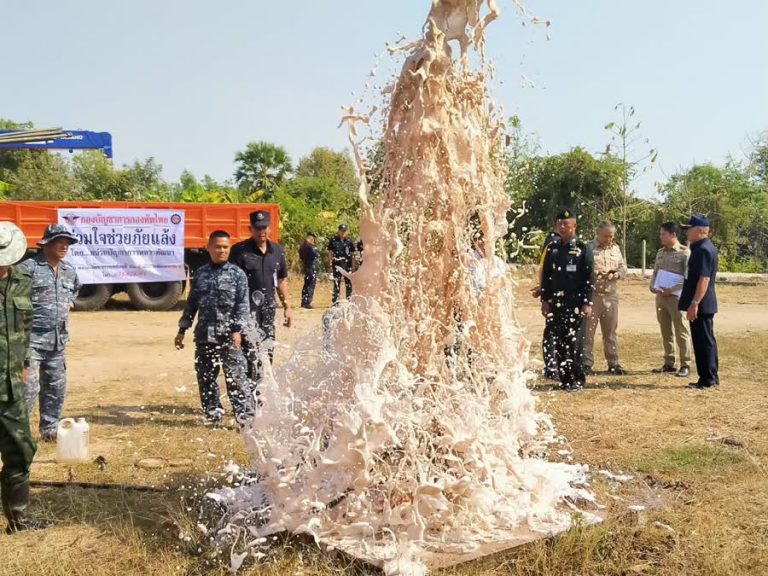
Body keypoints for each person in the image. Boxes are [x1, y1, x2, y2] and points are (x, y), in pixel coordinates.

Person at [0, 222, 52, 533]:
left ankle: (18, 519)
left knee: (21, 449)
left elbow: (26, 323)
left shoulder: (22, 280)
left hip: (10, 386)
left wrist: (24, 362)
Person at [176, 231, 253, 425]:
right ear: (208, 247)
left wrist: (237, 330)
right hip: (205, 335)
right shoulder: (200, 274)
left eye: (225, 247)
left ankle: (244, 417)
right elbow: (191, 304)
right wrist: (182, 329)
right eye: (217, 247)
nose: (222, 250)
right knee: (206, 377)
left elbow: (242, 306)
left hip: (229, 337)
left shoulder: (238, 275)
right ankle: (212, 414)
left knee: (236, 378)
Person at [20, 224, 81, 441]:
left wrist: (69, 302)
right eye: (59, 241)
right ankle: (17, 433)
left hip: (57, 341)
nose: (64, 246)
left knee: (55, 387)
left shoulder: (69, 270)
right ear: (46, 244)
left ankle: (49, 430)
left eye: (67, 242)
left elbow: (75, 289)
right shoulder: (28, 269)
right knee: (28, 389)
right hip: (31, 341)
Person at [229, 210, 291, 384]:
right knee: (250, 349)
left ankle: (263, 386)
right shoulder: (239, 251)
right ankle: (250, 389)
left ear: (269, 228)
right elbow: (232, 284)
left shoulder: (277, 250)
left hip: (268, 309)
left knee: (268, 348)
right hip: (247, 309)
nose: (261, 231)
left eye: (264, 228)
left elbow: (281, 280)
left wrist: (287, 306)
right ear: (251, 229)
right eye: (257, 228)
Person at [540, 210, 594, 391]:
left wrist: (587, 302)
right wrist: (545, 300)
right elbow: (547, 277)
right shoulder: (553, 248)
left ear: (574, 226)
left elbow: (588, 277)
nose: (562, 227)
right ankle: (564, 378)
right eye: (559, 223)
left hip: (575, 301)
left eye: (566, 224)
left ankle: (577, 378)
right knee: (559, 341)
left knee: (575, 341)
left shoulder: (582, 248)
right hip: (556, 302)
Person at [679, 215, 719, 389]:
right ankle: (711, 376)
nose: (687, 232)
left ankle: (707, 379)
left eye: (690, 228)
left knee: (703, 341)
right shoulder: (699, 248)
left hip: (701, 304)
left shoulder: (703, 249)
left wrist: (694, 303)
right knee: (705, 340)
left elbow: (704, 279)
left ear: (702, 230)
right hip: (701, 303)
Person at [583, 221, 627, 375]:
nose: (609, 239)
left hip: (611, 295)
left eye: (611, 236)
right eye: (605, 236)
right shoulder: (588, 248)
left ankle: (613, 363)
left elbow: (622, 267)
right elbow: (582, 270)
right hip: (593, 295)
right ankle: (586, 363)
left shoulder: (615, 248)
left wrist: (617, 274)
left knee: (610, 332)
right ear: (597, 234)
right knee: (588, 331)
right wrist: (594, 274)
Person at [650, 222, 691, 378]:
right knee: (665, 330)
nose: (661, 237)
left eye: (663, 234)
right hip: (661, 297)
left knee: (681, 330)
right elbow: (656, 272)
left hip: (676, 298)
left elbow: (688, 278)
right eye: (660, 234)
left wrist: (672, 289)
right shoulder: (660, 252)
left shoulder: (684, 253)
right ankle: (669, 362)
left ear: (673, 235)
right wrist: (653, 286)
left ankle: (685, 364)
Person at [531, 222, 561, 380]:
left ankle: (560, 365)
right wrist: (543, 292)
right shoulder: (551, 242)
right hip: (553, 295)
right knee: (552, 331)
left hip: (566, 296)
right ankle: (551, 367)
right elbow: (544, 269)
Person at [327, 224, 356, 304]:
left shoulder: (349, 241)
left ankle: (349, 300)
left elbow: (353, 254)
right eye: (341, 231)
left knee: (348, 283)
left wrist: (353, 266)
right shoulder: (333, 240)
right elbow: (330, 252)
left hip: (347, 265)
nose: (343, 232)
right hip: (337, 264)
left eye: (344, 231)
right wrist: (330, 264)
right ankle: (335, 301)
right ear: (338, 231)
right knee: (336, 282)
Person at [298, 233, 319, 309]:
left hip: (306, 266)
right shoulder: (310, 247)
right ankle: (307, 302)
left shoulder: (302, 246)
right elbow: (316, 254)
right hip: (311, 267)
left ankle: (304, 301)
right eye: (313, 240)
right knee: (310, 285)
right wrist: (314, 247)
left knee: (306, 284)